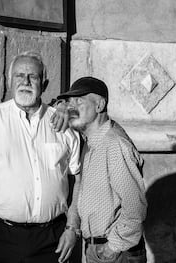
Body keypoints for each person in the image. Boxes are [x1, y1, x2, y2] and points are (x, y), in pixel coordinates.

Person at [0, 52, 81, 263]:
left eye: (33, 76)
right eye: (19, 76)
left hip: (52, 239)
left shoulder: (63, 125)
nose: (26, 82)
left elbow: (78, 179)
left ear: (44, 83)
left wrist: (72, 228)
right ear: (9, 81)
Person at [57, 77, 147, 263]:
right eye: (70, 102)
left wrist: (112, 247)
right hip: (98, 249)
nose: (71, 108)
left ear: (100, 105)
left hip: (117, 253)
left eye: (79, 101)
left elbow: (134, 207)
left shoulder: (114, 144)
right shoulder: (91, 141)